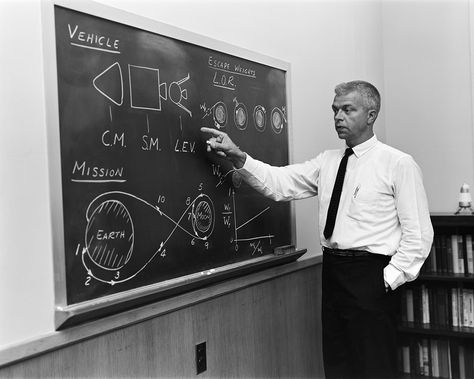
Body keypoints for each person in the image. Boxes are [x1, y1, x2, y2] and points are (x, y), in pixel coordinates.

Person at [201, 80, 433, 379]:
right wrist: (237, 156)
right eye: (335, 110)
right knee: (337, 366)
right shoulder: (327, 161)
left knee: (373, 367)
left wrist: (387, 280)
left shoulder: (398, 164)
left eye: (347, 110)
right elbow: (279, 183)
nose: (338, 117)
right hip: (333, 273)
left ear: (371, 114)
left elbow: (419, 235)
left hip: (370, 277)